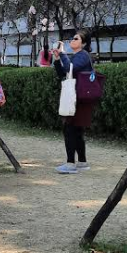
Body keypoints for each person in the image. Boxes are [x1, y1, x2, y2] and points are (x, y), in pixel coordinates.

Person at [53, 30, 94, 174]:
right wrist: (58, 58)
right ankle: (82, 162)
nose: (72, 40)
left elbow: (70, 68)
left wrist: (63, 54)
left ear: (83, 43)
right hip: (77, 97)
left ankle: (71, 164)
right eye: (72, 38)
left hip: (78, 98)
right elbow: (62, 73)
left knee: (69, 128)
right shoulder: (76, 56)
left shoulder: (83, 55)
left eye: (76, 39)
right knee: (76, 130)